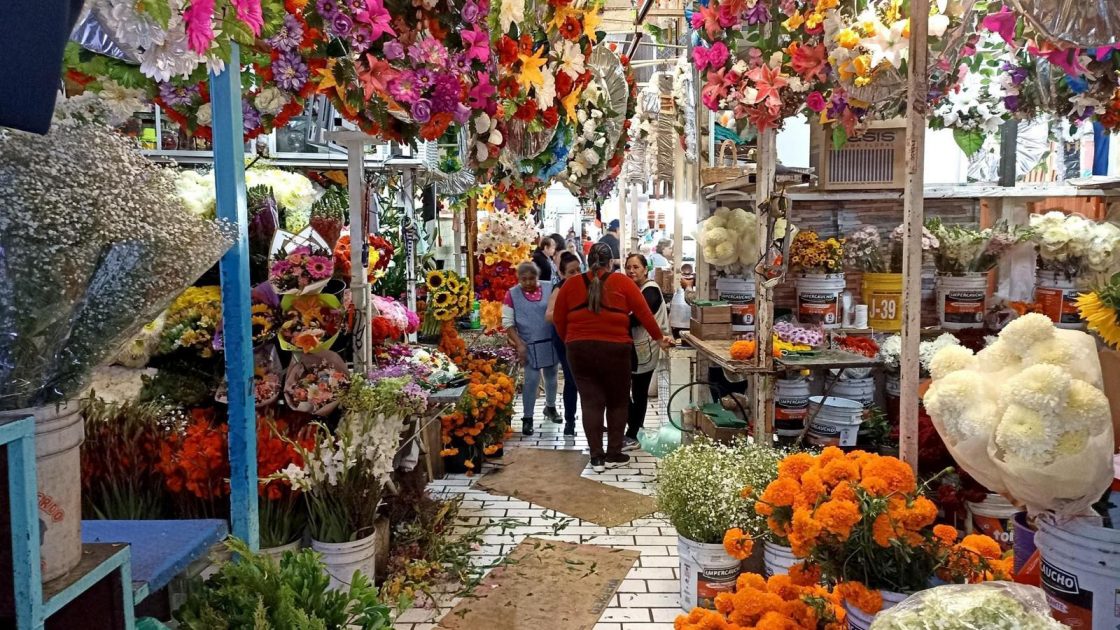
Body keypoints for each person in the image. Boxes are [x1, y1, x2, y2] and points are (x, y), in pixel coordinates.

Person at [553, 243, 671, 472]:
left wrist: (571, 339)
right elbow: (644, 314)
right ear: (611, 263)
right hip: (616, 349)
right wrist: (659, 339)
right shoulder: (623, 283)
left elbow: (559, 318)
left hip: (579, 350)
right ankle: (614, 453)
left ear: (587, 262)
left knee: (590, 402)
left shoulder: (571, 284)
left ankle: (596, 458)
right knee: (617, 401)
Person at [504, 261, 560, 435]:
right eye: (524, 279)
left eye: (532, 278)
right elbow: (508, 324)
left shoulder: (550, 287)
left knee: (551, 377)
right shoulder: (512, 294)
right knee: (531, 380)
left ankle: (550, 408)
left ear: (538, 277)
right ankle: (527, 418)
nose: (528, 283)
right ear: (519, 279)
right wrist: (519, 344)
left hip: (549, 340)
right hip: (528, 344)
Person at [623, 253, 669, 450]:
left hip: (646, 348)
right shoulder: (636, 289)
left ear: (645, 269)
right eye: (628, 267)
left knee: (639, 392)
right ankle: (634, 429)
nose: (631, 271)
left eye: (636, 267)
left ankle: (633, 433)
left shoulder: (650, 290)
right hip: (636, 348)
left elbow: (636, 319)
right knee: (631, 390)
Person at [545, 251, 583, 436]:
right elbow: (549, 316)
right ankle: (570, 422)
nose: (576, 275)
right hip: (563, 338)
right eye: (571, 272)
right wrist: (570, 315)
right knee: (571, 379)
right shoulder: (559, 289)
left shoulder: (586, 286)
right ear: (561, 274)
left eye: (579, 270)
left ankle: (593, 419)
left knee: (586, 380)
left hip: (582, 338)